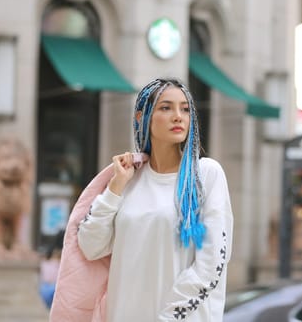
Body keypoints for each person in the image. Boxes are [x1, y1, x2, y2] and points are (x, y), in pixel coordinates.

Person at [51, 78, 233, 322]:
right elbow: (91, 247)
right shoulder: (129, 180)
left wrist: (168, 317)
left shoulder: (206, 175)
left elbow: (212, 265)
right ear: (141, 117)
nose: (178, 116)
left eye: (185, 109)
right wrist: (115, 188)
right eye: (166, 107)